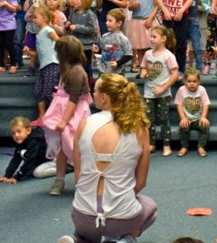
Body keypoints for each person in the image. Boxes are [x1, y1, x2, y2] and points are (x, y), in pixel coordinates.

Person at [59, 73, 157, 243]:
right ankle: (126, 240)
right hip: (122, 218)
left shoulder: (84, 124)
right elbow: (141, 182)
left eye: (95, 91)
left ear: (104, 97)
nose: (92, 95)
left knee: (86, 223)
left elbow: (78, 177)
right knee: (151, 208)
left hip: (83, 216)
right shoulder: (140, 129)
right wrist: (119, 197)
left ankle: (78, 239)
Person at [45, 36, 93, 196]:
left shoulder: (77, 72)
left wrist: (64, 120)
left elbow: (73, 100)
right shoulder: (67, 69)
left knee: (75, 148)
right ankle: (59, 179)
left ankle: (83, 181)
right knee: (62, 149)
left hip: (74, 114)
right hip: (65, 112)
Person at [140, 25, 179, 156]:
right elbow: (144, 67)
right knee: (148, 119)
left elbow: (175, 75)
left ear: (163, 39)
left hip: (164, 94)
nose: (151, 39)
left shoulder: (168, 56)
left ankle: (166, 145)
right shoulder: (147, 54)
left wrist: (163, 88)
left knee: (164, 119)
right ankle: (151, 143)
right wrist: (143, 73)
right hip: (148, 92)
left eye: (154, 37)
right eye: (151, 36)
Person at [0, 116, 48, 185]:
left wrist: (17, 177)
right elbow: (16, 159)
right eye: (13, 133)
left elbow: (30, 160)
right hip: (39, 162)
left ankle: (63, 169)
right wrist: (7, 176)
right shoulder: (22, 140)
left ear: (28, 131)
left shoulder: (34, 141)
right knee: (30, 170)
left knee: (37, 173)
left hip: (52, 161)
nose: (16, 135)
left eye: (19, 132)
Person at [175, 68, 211, 157]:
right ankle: (184, 147)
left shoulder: (202, 90)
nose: (192, 84)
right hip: (186, 117)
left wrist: (203, 117)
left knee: (205, 126)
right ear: (185, 81)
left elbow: (206, 104)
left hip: (198, 118)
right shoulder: (181, 90)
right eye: (189, 81)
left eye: (194, 81)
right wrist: (183, 118)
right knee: (183, 127)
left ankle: (201, 147)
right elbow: (179, 105)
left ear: (199, 81)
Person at [33, 6, 60, 123]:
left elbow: (59, 42)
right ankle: (42, 116)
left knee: (49, 91)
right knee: (38, 90)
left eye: (35, 17)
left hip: (52, 64)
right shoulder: (40, 33)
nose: (33, 20)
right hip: (43, 66)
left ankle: (54, 116)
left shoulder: (48, 30)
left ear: (44, 18)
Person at [128, 0, 158, 73]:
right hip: (136, 21)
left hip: (148, 20)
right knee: (139, 47)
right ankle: (142, 68)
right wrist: (133, 5)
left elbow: (157, 6)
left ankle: (151, 68)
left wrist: (150, 18)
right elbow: (129, 7)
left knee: (149, 46)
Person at [66, 0, 99, 80]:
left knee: (86, 66)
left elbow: (92, 29)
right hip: (74, 45)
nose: (74, 1)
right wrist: (67, 24)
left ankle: (89, 83)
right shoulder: (73, 13)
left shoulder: (90, 14)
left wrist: (77, 27)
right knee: (74, 66)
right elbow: (70, 25)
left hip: (86, 46)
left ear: (85, 0)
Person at [98, 9, 133, 75]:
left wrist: (118, 63)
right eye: (106, 20)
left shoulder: (123, 38)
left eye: (110, 21)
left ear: (119, 23)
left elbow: (129, 54)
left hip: (117, 72)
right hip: (103, 70)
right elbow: (101, 51)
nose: (107, 23)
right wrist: (97, 50)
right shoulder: (104, 36)